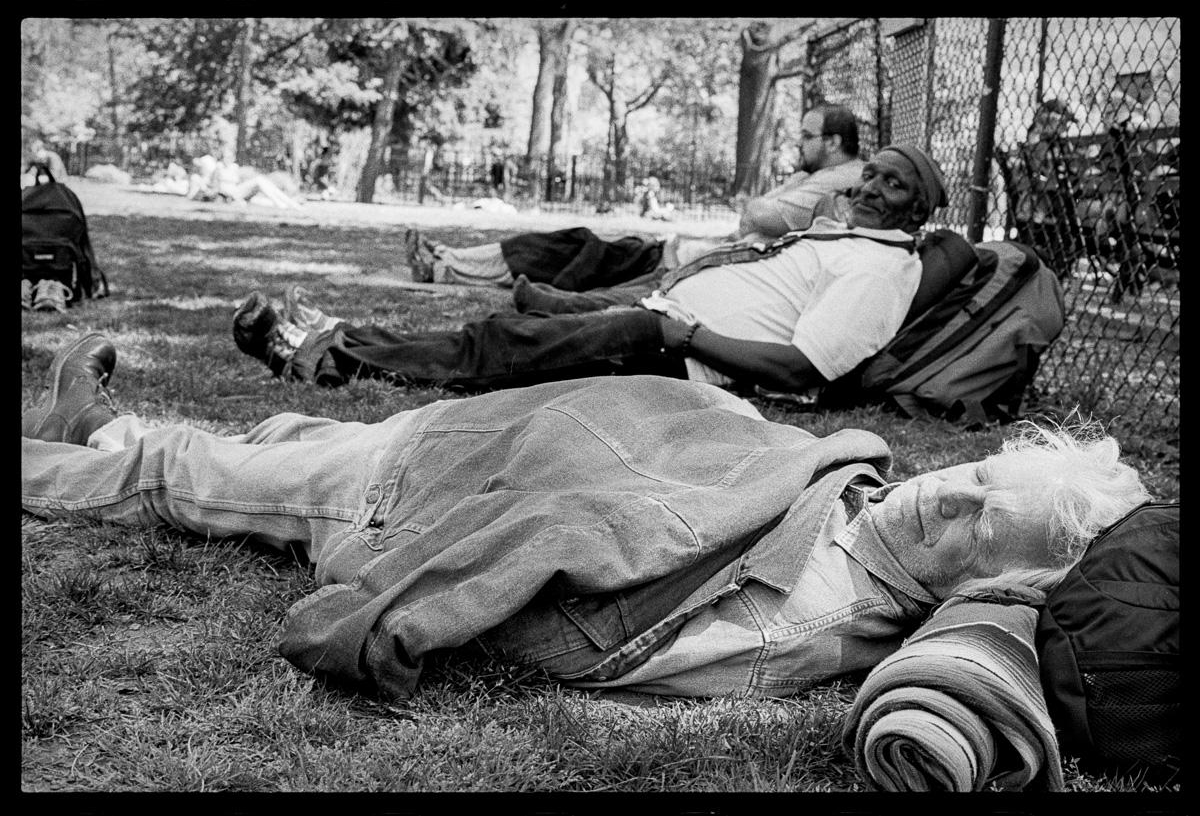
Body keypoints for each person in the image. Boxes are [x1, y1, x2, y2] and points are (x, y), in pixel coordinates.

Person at [21, 333, 1151, 701]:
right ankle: (127, 435)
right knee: (292, 439)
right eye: (979, 472)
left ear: (974, 587)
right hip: (486, 435)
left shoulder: (803, 616)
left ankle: (95, 448)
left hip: (422, 494)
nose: (943, 490)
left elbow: (600, 645)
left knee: (199, 477)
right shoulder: (858, 485)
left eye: (969, 522)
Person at [233, 143, 946, 399]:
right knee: (506, 328)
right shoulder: (852, 238)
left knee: (506, 345)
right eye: (868, 176)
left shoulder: (878, 272)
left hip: (683, 356)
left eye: (890, 186)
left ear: (919, 214)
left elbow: (803, 371)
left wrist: (683, 332)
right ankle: (336, 338)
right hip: (665, 318)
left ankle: (320, 354)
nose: (865, 189)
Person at [405, 104, 867, 289]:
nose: (797, 144)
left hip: (686, 264)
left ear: (832, 141)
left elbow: (763, 215)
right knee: (565, 247)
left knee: (569, 252)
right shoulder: (821, 174)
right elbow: (759, 215)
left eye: (806, 136)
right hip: (685, 254)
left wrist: (753, 211)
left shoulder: (840, 178)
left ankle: (446, 265)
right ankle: (447, 263)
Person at [1008, 99, 1085, 275]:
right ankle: (1060, 259)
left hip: (1038, 197)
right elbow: (1066, 171)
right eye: (1063, 122)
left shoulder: (1036, 140)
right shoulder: (1048, 142)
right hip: (1049, 199)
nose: (1066, 127)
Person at [187, 154, 302, 210]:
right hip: (230, 195)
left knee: (262, 184)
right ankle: (286, 204)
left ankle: (287, 203)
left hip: (235, 193)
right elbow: (195, 195)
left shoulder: (227, 169)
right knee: (260, 181)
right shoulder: (203, 176)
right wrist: (204, 189)